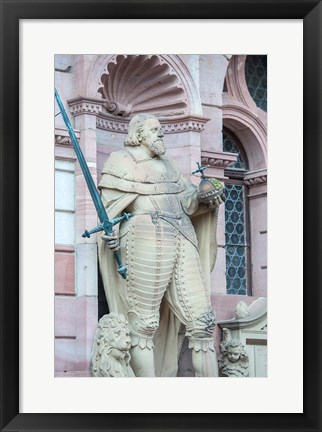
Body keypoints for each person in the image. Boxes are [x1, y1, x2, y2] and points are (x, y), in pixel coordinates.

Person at [97, 113, 225, 377]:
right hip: (144, 239)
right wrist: (111, 232)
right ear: (139, 134)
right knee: (142, 324)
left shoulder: (169, 164)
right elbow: (111, 207)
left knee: (203, 323)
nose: (160, 134)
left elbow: (188, 201)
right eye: (155, 130)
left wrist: (205, 195)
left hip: (182, 237)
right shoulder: (120, 161)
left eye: (161, 130)